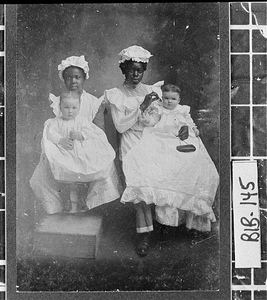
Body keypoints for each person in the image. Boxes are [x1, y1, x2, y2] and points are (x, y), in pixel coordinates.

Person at [103, 45, 189, 257]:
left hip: (154, 139)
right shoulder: (115, 95)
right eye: (131, 69)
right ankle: (144, 234)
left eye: (140, 70)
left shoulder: (154, 90)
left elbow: (168, 115)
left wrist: (182, 125)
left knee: (167, 176)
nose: (135, 74)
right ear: (123, 69)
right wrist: (141, 107)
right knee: (139, 188)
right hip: (131, 142)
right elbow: (121, 126)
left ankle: (166, 223)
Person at [122, 83, 219, 244]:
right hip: (161, 142)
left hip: (182, 142)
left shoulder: (182, 111)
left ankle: (192, 221)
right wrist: (145, 115)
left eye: (173, 99)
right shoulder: (158, 109)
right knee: (159, 167)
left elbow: (192, 125)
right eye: (166, 98)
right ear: (162, 98)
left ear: (179, 99)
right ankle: (164, 222)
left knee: (198, 166)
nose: (169, 102)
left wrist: (191, 129)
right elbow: (150, 122)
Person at [30, 55, 122, 214]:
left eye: (77, 77)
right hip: (62, 145)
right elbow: (51, 129)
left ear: (84, 78)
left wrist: (83, 139)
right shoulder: (58, 101)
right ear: (63, 80)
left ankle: (88, 203)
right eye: (69, 78)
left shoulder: (93, 102)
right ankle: (60, 205)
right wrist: (57, 142)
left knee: (103, 165)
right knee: (44, 169)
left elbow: (98, 132)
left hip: (86, 144)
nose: (73, 81)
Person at [43, 91, 116, 213]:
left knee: (81, 176)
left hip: (80, 155)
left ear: (79, 107)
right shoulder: (56, 122)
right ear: (60, 107)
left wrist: (81, 135)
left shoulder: (81, 121)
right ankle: (69, 204)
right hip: (65, 154)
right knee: (67, 179)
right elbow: (50, 134)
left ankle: (82, 202)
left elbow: (94, 132)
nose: (70, 111)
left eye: (74, 108)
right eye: (66, 107)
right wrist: (61, 140)